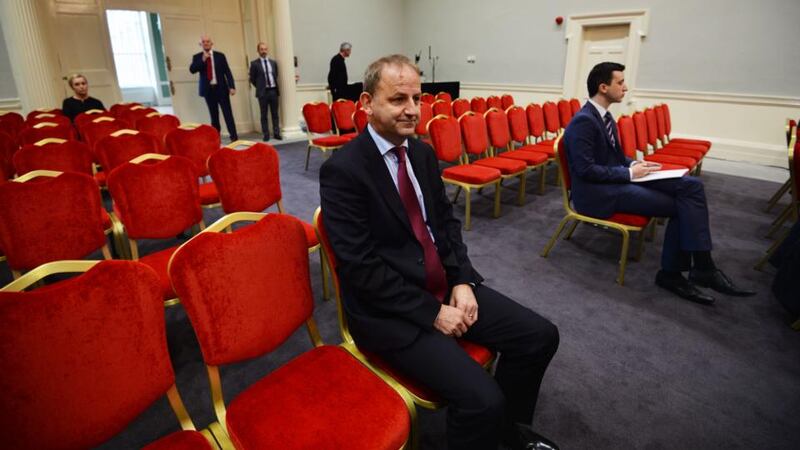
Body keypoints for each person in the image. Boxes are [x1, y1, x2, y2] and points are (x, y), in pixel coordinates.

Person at [319, 54, 560, 450]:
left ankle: (509, 438)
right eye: (398, 99)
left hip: (444, 285)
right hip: (392, 311)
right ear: (366, 103)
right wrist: (432, 312)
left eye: (417, 98)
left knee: (539, 336)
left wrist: (462, 279)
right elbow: (361, 269)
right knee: (483, 400)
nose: (412, 110)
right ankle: (495, 427)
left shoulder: (422, 154)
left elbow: (445, 226)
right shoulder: (344, 170)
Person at [563, 61, 755, 305]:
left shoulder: (604, 116)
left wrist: (634, 165)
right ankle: (676, 273)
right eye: (620, 83)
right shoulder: (584, 121)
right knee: (678, 206)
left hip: (616, 180)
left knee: (691, 186)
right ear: (603, 87)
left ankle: (703, 266)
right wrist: (630, 175)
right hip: (598, 195)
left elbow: (617, 157)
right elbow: (585, 170)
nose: (625, 87)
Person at [189, 35, 238, 141]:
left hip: (221, 89)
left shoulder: (220, 56)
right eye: (203, 42)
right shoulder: (197, 57)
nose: (206, 43)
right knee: (214, 116)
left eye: (208, 41)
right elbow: (192, 70)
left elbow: (227, 71)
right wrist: (203, 59)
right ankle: (216, 139)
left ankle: (234, 137)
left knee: (228, 114)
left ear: (212, 43)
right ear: (201, 44)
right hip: (208, 91)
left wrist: (232, 86)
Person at [248, 42, 281, 141]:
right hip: (263, 92)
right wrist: (260, 87)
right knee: (264, 114)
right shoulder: (254, 64)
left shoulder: (273, 63)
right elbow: (252, 79)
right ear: (258, 51)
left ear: (267, 50)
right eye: (261, 49)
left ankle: (276, 133)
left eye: (265, 49)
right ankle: (266, 134)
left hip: (273, 91)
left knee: (275, 114)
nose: (264, 51)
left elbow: (276, 75)